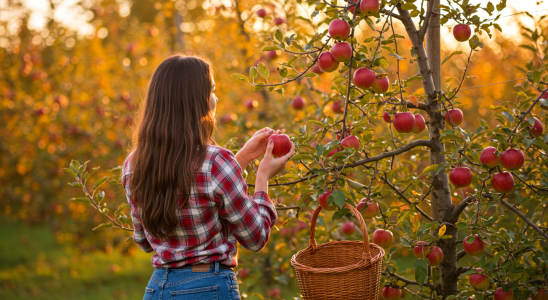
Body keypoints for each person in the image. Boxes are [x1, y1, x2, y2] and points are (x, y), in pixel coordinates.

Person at [121, 54, 295, 300]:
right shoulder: (216, 162)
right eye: (212, 90)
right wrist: (263, 177)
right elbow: (255, 237)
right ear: (197, 101)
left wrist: (242, 158)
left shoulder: (133, 164)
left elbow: (144, 241)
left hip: (158, 287)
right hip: (207, 287)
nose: (216, 98)